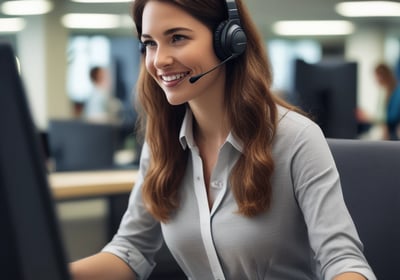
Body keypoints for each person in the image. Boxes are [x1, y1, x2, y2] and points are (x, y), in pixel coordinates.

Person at [70, 1, 376, 279]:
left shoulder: (295, 138)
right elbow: (130, 251)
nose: (159, 60)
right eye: (149, 43)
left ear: (229, 40)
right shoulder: (162, 143)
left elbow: (343, 261)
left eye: (177, 37)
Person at [374, 63, 400, 140]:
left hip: (393, 134)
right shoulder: (384, 91)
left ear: (382, 76)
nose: (375, 79)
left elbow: (393, 117)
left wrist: (370, 118)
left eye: (376, 76)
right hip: (388, 134)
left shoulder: (397, 92)